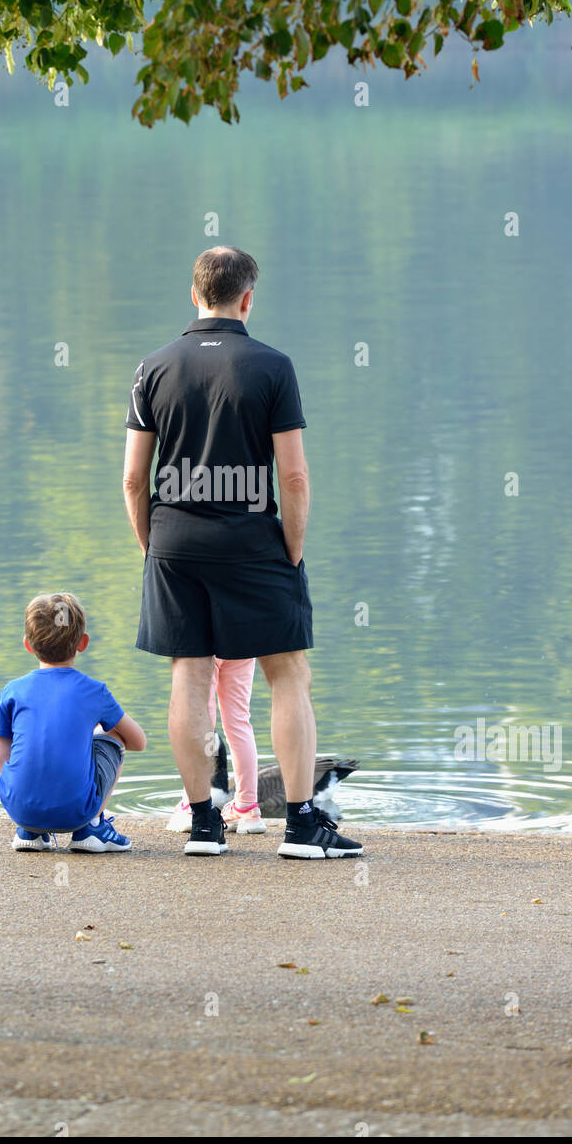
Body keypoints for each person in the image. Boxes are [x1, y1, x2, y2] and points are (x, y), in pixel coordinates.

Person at [123, 246, 363, 860]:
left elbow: (132, 479)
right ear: (248, 298)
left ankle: (204, 824)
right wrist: (292, 548)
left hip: (174, 542)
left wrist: (155, 545)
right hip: (254, 540)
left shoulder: (152, 367)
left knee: (190, 673)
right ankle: (303, 827)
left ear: (193, 293)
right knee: (288, 674)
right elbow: (296, 477)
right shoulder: (272, 366)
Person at [0, 592, 145, 853]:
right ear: (83, 643)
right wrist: (95, 730)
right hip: (76, 811)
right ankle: (92, 827)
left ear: (28, 645)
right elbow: (137, 741)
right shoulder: (94, 691)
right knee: (114, 737)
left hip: (20, 809)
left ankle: (31, 832)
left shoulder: (13, 691)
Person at [167, 656, 266, 835]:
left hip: (205, 643)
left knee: (204, 719)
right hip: (242, 640)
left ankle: (191, 805)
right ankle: (247, 807)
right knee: (240, 722)